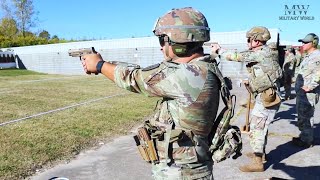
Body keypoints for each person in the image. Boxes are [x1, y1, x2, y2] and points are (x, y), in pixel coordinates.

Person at [81, 7, 224, 179]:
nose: (161, 47)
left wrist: (99, 65)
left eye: (163, 40)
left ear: (177, 41)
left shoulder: (186, 74)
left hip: (181, 173)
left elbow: (133, 78)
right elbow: (146, 72)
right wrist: (104, 63)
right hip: (191, 167)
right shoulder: (204, 68)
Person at [211, 26, 282, 172]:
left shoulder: (261, 53)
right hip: (265, 95)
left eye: (249, 39)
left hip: (267, 98)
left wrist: (219, 50)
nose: (247, 42)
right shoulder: (265, 52)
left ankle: (258, 163)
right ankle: (261, 155)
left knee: (256, 129)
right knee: (262, 128)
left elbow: (237, 57)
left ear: (256, 40)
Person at [292, 33, 320, 148]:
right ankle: (304, 136)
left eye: (305, 42)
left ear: (313, 43)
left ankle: (307, 141)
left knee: (307, 116)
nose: (302, 44)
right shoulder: (309, 56)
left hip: (309, 93)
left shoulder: (317, 55)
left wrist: (311, 86)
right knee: (302, 115)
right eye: (302, 42)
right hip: (302, 93)